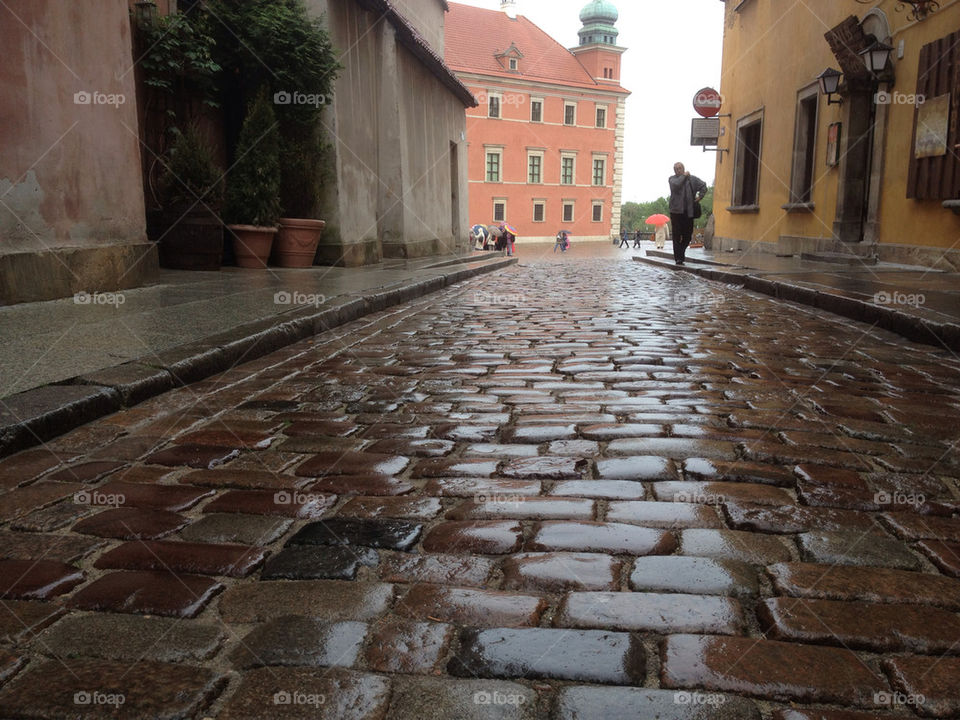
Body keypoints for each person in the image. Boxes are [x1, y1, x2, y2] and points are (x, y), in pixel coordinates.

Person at [668, 162, 707, 265]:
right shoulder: (672, 179)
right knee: (676, 236)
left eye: (679, 168)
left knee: (687, 236)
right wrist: (684, 176)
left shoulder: (692, 179)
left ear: (683, 168)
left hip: (689, 212)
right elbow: (677, 185)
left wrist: (700, 197)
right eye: (675, 169)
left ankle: (681, 252)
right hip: (676, 212)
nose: (677, 170)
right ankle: (678, 258)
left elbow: (703, 186)